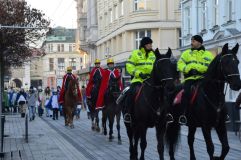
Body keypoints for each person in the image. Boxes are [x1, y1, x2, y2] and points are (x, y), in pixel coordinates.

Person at [123, 37, 174, 123]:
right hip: (138, 79)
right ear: (144, 45)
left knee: (164, 93)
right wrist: (139, 73)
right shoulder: (135, 53)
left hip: (152, 80)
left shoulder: (154, 54)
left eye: (151, 44)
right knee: (131, 92)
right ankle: (128, 114)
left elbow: (158, 67)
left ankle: (167, 114)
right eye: (148, 44)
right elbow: (129, 66)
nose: (150, 45)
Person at [177, 35, 215, 125]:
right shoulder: (186, 53)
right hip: (190, 79)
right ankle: (183, 115)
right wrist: (188, 69)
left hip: (203, 79)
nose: (191, 43)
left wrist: (201, 71)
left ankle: (219, 113)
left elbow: (212, 67)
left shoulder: (208, 54)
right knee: (186, 93)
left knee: (215, 90)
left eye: (193, 41)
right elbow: (180, 64)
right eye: (191, 41)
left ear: (199, 42)